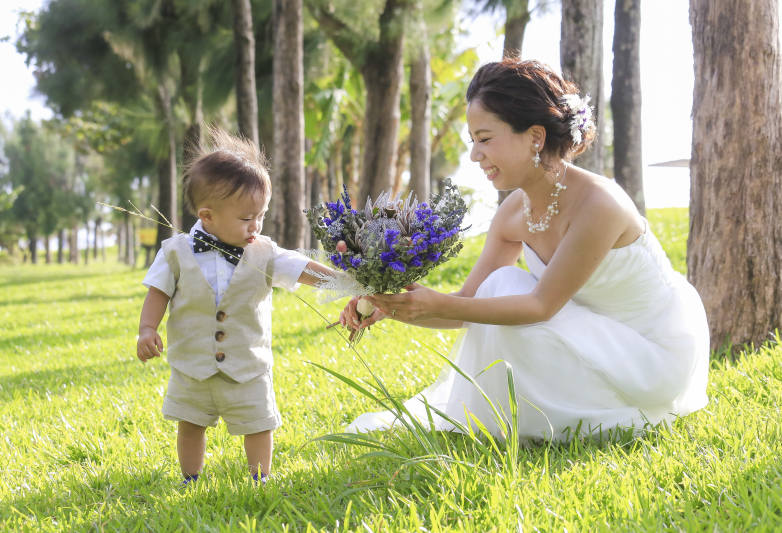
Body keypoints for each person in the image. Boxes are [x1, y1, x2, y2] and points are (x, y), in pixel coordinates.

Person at [340, 57, 710, 442]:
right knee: (499, 285)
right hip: (590, 341)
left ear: (535, 137)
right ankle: (523, 417)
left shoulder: (599, 204)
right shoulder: (513, 213)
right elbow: (468, 306)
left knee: (506, 285)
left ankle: (543, 417)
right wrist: (392, 306)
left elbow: (539, 307)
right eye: (473, 142)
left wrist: (437, 303)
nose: (475, 156)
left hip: (650, 357)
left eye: (484, 139)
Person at [136, 126, 333, 484]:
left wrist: (341, 280)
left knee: (258, 424)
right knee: (190, 422)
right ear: (207, 216)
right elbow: (158, 292)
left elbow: (301, 267)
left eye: (261, 215)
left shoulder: (264, 251)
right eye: (246, 218)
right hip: (193, 365)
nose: (255, 226)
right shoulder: (175, 251)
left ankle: (260, 478)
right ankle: (190, 476)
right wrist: (147, 329)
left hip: (248, 366)